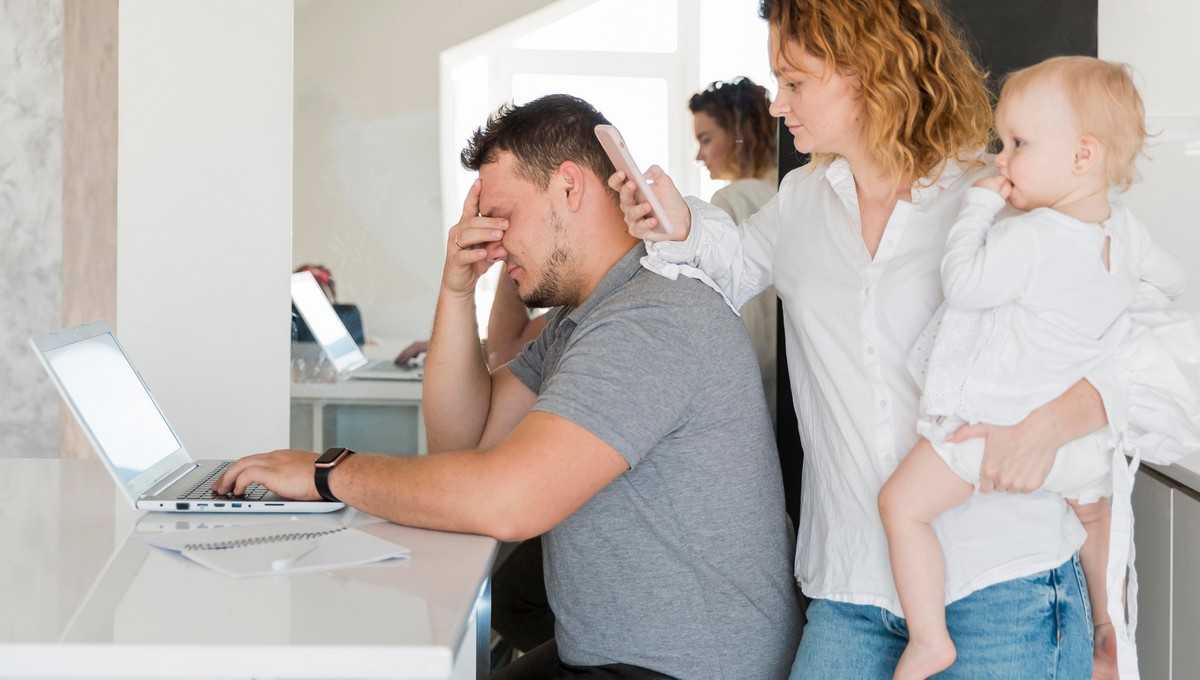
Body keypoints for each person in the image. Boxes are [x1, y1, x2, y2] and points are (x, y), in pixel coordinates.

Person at [612, 1, 1200, 677]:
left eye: (794, 81)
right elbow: (730, 263)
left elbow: (1163, 346)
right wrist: (678, 223)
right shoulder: (801, 202)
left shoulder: (1000, 194)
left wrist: (1047, 428)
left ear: (867, 71)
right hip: (851, 590)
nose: (777, 104)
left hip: (1005, 586)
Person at [215, 94, 802, 679]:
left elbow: (508, 500)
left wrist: (328, 473)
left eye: (502, 216)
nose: (494, 245)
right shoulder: (584, 317)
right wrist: (456, 288)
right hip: (622, 658)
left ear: (568, 188)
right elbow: (462, 439)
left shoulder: (652, 317)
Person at [878, 56, 1189, 680]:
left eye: (1017, 143)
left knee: (900, 506)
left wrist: (975, 212)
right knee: (1093, 516)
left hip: (997, 433)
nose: (1001, 160)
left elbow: (964, 284)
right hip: (1078, 445)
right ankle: (1108, 627)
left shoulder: (1030, 237)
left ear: (1082, 155)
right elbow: (1172, 283)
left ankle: (929, 639)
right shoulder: (1125, 232)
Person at [690, 77, 781, 422]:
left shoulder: (731, 201)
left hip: (754, 393)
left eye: (706, 139)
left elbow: (741, 327)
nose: (699, 155)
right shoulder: (793, 189)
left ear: (739, 134)